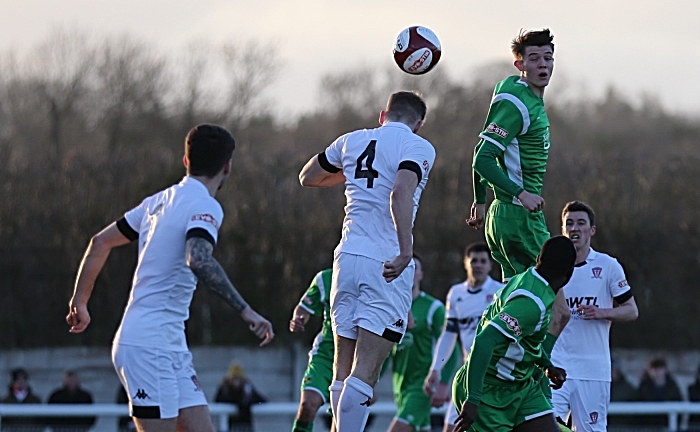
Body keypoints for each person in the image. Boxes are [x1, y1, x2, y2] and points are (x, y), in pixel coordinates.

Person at [66, 124, 274, 432]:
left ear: (186, 161)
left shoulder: (157, 202)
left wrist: (80, 302)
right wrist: (246, 310)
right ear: (228, 166)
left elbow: (100, 242)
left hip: (169, 342)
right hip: (148, 345)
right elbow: (199, 260)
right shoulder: (205, 205)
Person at [299, 91, 436, 431]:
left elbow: (308, 176)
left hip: (346, 258)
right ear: (418, 124)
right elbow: (400, 192)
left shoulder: (351, 141)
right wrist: (406, 251)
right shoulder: (418, 146)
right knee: (367, 369)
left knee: (341, 367)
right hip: (384, 260)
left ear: (381, 116)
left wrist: (353, 175)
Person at [452, 236, 577, 432]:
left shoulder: (529, 279)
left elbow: (523, 342)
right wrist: (473, 398)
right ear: (568, 275)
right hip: (489, 391)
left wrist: (547, 365)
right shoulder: (531, 303)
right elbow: (485, 340)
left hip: (520, 386)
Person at [466, 28, 555, 282]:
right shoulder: (518, 103)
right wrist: (522, 194)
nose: (543, 64)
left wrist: (480, 202)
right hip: (519, 217)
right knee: (555, 301)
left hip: (503, 215)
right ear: (520, 64)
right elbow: (481, 157)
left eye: (547, 58)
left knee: (516, 297)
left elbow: (480, 148)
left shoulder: (516, 92)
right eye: (535, 58)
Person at [550, 201, 639, 431]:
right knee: (546, 426)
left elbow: (631, 310)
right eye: (569, 223)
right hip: (555, 365)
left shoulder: (607, 266)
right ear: (562, 229)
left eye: (581, 223)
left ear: (592, 230)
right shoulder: (551, 267)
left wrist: (602, 312)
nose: (574, 228)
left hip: (593, 369)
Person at [423, 243, 504, 432]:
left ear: (490, 265)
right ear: (466, 264)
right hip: (468, 373)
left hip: (495, 374)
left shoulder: (500, 292)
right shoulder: (456, 293)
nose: (478, 265)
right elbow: (449, 334)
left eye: (483, 261)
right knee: (451, 428)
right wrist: (436, 368)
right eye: (474, 261)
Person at [386, 255, 460, 432]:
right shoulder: (391, 307)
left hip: (423, 385)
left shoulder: (434, 308)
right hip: (400, 384)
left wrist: (442, 385)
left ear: (420, 275)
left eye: (413, 268)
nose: (408, 272)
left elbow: (452, 346)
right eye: (405, 268)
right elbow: (385, 351)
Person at [289, 268, 336, 432]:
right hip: (325, 356)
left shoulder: (372, 276)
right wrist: (298, 319)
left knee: (341, 420)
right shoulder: (325, 278)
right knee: (307, 405)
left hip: (355, 360)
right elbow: (302, 308)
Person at [214, 363, 267, 432]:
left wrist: (248, 403)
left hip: (246, 427)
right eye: (234, 379)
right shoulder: (224, 390)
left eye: (238, 379)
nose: (236, 382)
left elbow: (262, 400)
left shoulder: (248, 390)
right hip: (230, 427)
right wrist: (239, 403)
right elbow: (217, 402)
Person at [635, 355, 683, 426]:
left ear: (665, 370)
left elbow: (680, 406)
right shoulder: (643, 387)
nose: (657, 372)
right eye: (654, 369)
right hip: (648, 427)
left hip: (667, 425)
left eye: (660, 368)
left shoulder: (673, 387)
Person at [0, 368, 42, 432]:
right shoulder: (5, 401)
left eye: (24, 379)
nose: (21, 382)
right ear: (13, 381)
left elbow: (40, 420)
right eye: (18, 379)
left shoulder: (35, 400)